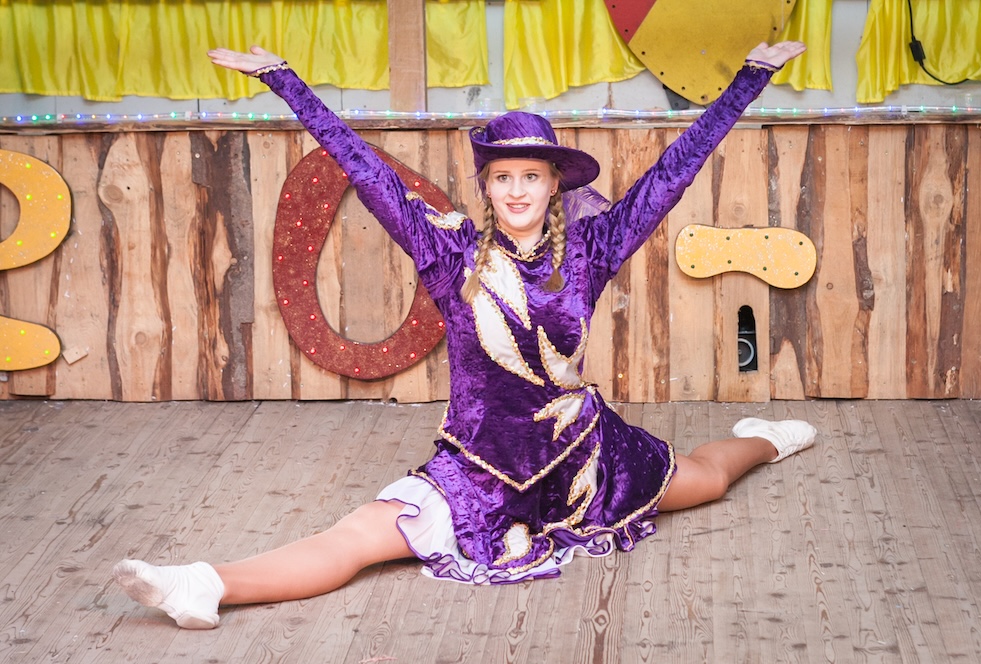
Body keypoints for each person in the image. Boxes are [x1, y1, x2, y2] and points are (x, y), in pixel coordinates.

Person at [113, 39, 812, 630]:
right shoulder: (448, 254)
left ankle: (766, 438)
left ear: (553, 185)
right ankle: (204, 583)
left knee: (707, 480)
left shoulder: (592, 249)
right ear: (487, 186)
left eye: (530, 177)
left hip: (582, 456)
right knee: (357, 536)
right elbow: (365, 169)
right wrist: (282, 79)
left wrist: (750, 76)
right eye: (503, 178)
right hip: (480, 471)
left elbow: (672, 173)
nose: (517, 191)